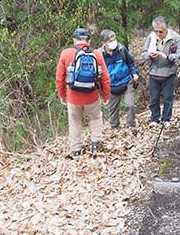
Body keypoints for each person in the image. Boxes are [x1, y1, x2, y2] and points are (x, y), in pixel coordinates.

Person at [55, 27, 111, 157]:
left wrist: (62, 95)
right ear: (89, 41)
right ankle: (96, 144)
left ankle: (76, 150)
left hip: (73, 97)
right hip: (92, 95)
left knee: (75, 121)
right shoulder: (96, 53)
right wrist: (106, 95)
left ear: (74, 40)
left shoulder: (66, 53)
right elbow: (105, 78)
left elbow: (59, 78)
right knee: (96, 117)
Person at [143, 16, 180, 128]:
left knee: (168, 97)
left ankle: (166, 119)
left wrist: (168, 57)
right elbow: (144, 53)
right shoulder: (151, 37)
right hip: (154, 72)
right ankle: (154, 118)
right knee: (154, 98)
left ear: (166, 29)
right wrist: (149, 55)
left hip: (169, 73)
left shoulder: (175, 38)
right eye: (155, 31)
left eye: (160, 31)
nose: (158, 33)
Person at [100, 29, 139, 130]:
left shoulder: (121, 49)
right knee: (112, 110)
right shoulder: (100, 55)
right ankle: (115, 128)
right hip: (111, 85)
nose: (114, 42)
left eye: (114, 39)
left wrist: (134, 73)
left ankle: (131, 126)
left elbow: (131, 63)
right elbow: (98, 71)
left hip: (126, 81)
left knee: (130, 105)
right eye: (110, 41)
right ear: (104, 43)